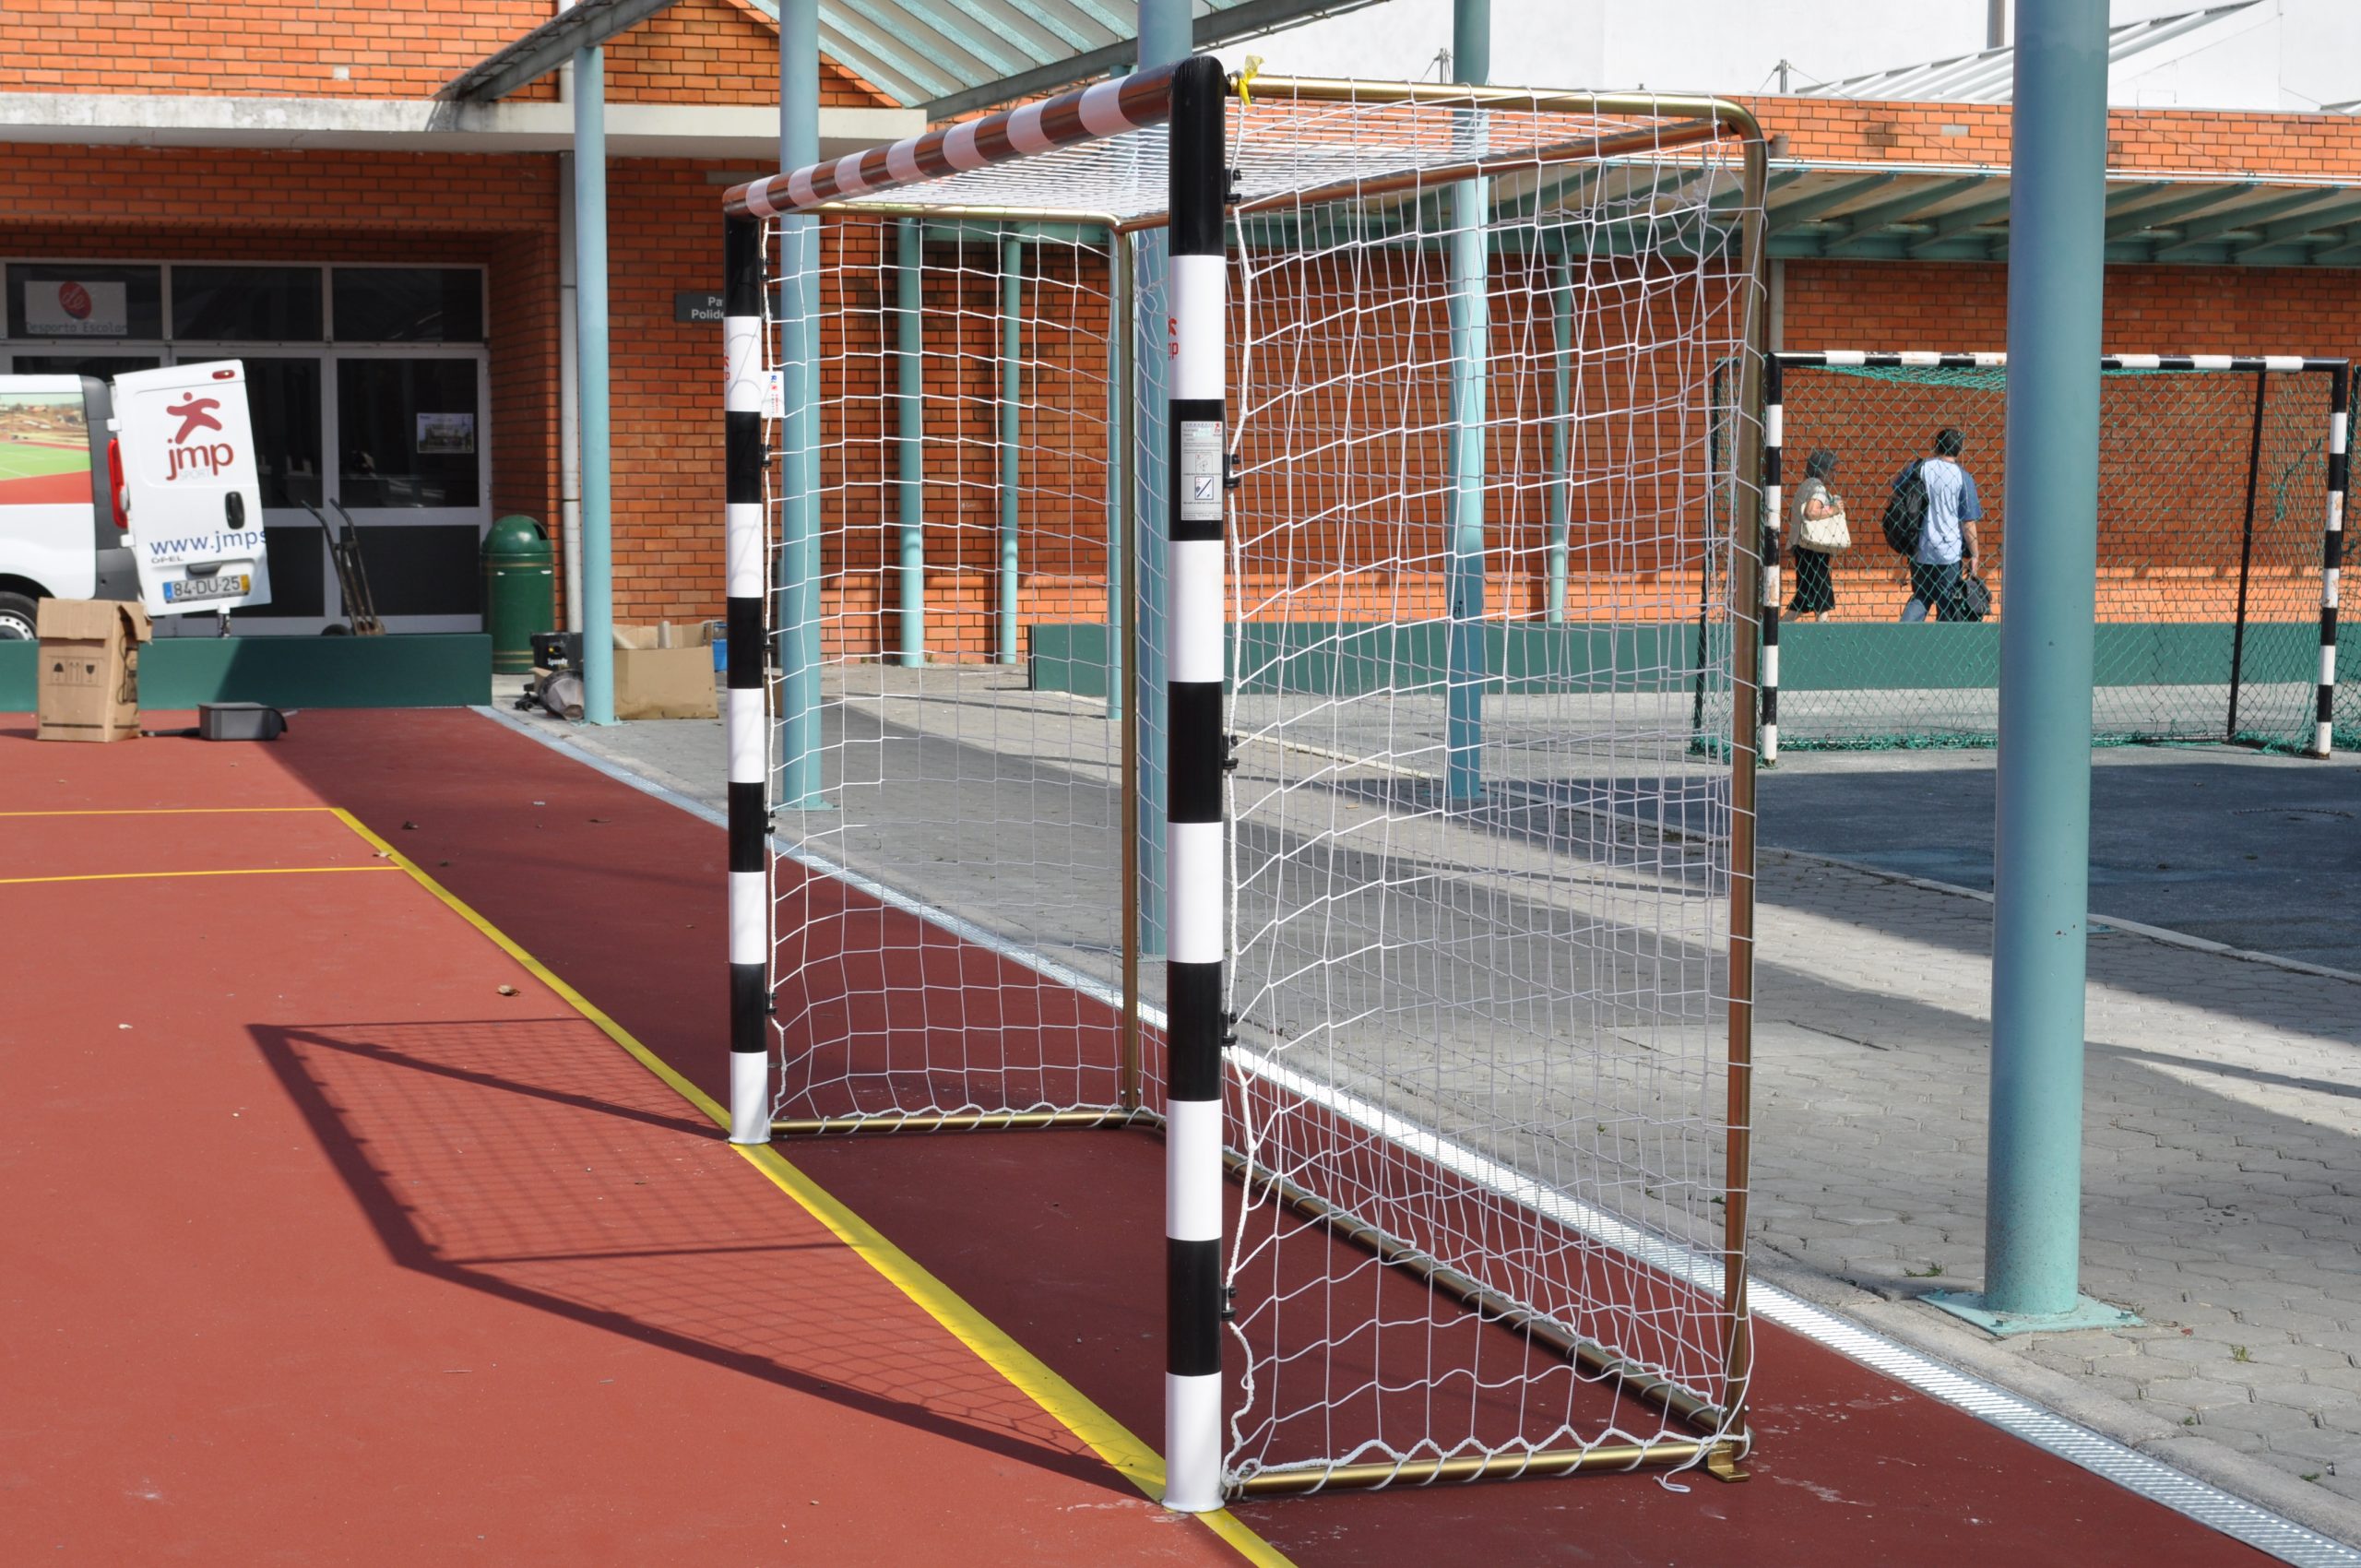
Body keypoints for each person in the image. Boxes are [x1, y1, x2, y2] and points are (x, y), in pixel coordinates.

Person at [1898, 427, 1982, 622]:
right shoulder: (1963, 477)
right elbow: (1968, 522)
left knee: (1920, 597)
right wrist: (1975, 554)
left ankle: (1903, 636)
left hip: (1920, 549)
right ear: (1959, 451)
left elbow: (1898, 491)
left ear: (1936, 446)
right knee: (1947, 602)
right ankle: (1943, 647)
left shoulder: (1919, 468)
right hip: (1949, 553)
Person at [1787, 447, 1843, 621]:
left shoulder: (1805, 485)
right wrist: (1834, 509)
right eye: (1833, 470)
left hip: (1802, 546)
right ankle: (1823, 630)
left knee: (1806, 593)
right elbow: (1811, 512)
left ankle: (1782, 627)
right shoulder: (1818, 488)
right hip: (1813, 547)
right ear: (1823, 470)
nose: (1834, 475)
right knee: (1821, 590)